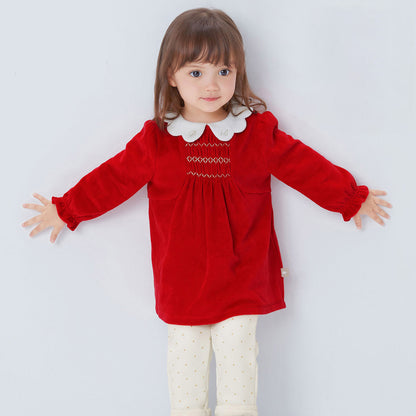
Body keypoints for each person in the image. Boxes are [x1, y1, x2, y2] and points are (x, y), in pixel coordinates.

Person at [21, 7, 391, 416]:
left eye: (223, 71)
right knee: (185, 359)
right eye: (196, 72)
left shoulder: (256, 134)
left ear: (238, 72)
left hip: (243, 275)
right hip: (182, 280)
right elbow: (112, 179)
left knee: (238, 356)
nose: (211, 85)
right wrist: (67, 209)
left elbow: (304, 165)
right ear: (172, 76)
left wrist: (349, 197)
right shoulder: (158, 141)